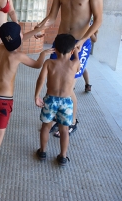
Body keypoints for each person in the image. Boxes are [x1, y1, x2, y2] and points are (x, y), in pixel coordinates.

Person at [34, 0, 103, 137]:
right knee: (57, 80)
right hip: (61, 43)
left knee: (69, 84)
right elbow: (52, 15)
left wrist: (83, 40)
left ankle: (72, 121)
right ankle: (60, 117)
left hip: (80, 44)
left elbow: (98, 19)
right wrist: (40, 29)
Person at [0, 22, 53, 175]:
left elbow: (16, 40)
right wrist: (43, 54)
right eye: (20, 33)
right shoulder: (18, 56)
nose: (22, 35)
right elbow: (38, 65)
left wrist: (36, 31)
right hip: (3, 99)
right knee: (0, 134)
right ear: (16, 39)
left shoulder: (0, 47)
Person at [35, 34, 80, 166]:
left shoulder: (49, 63)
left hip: (50, 100)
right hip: (66, 101)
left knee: (45, 126)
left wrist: (36, 96)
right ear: (71, 50)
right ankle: (63, 156)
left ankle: (42, 152)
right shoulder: (74, 64)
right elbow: (77, 59)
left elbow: (41, 79)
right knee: (64, 130)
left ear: (55, 49)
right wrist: (76, 50)